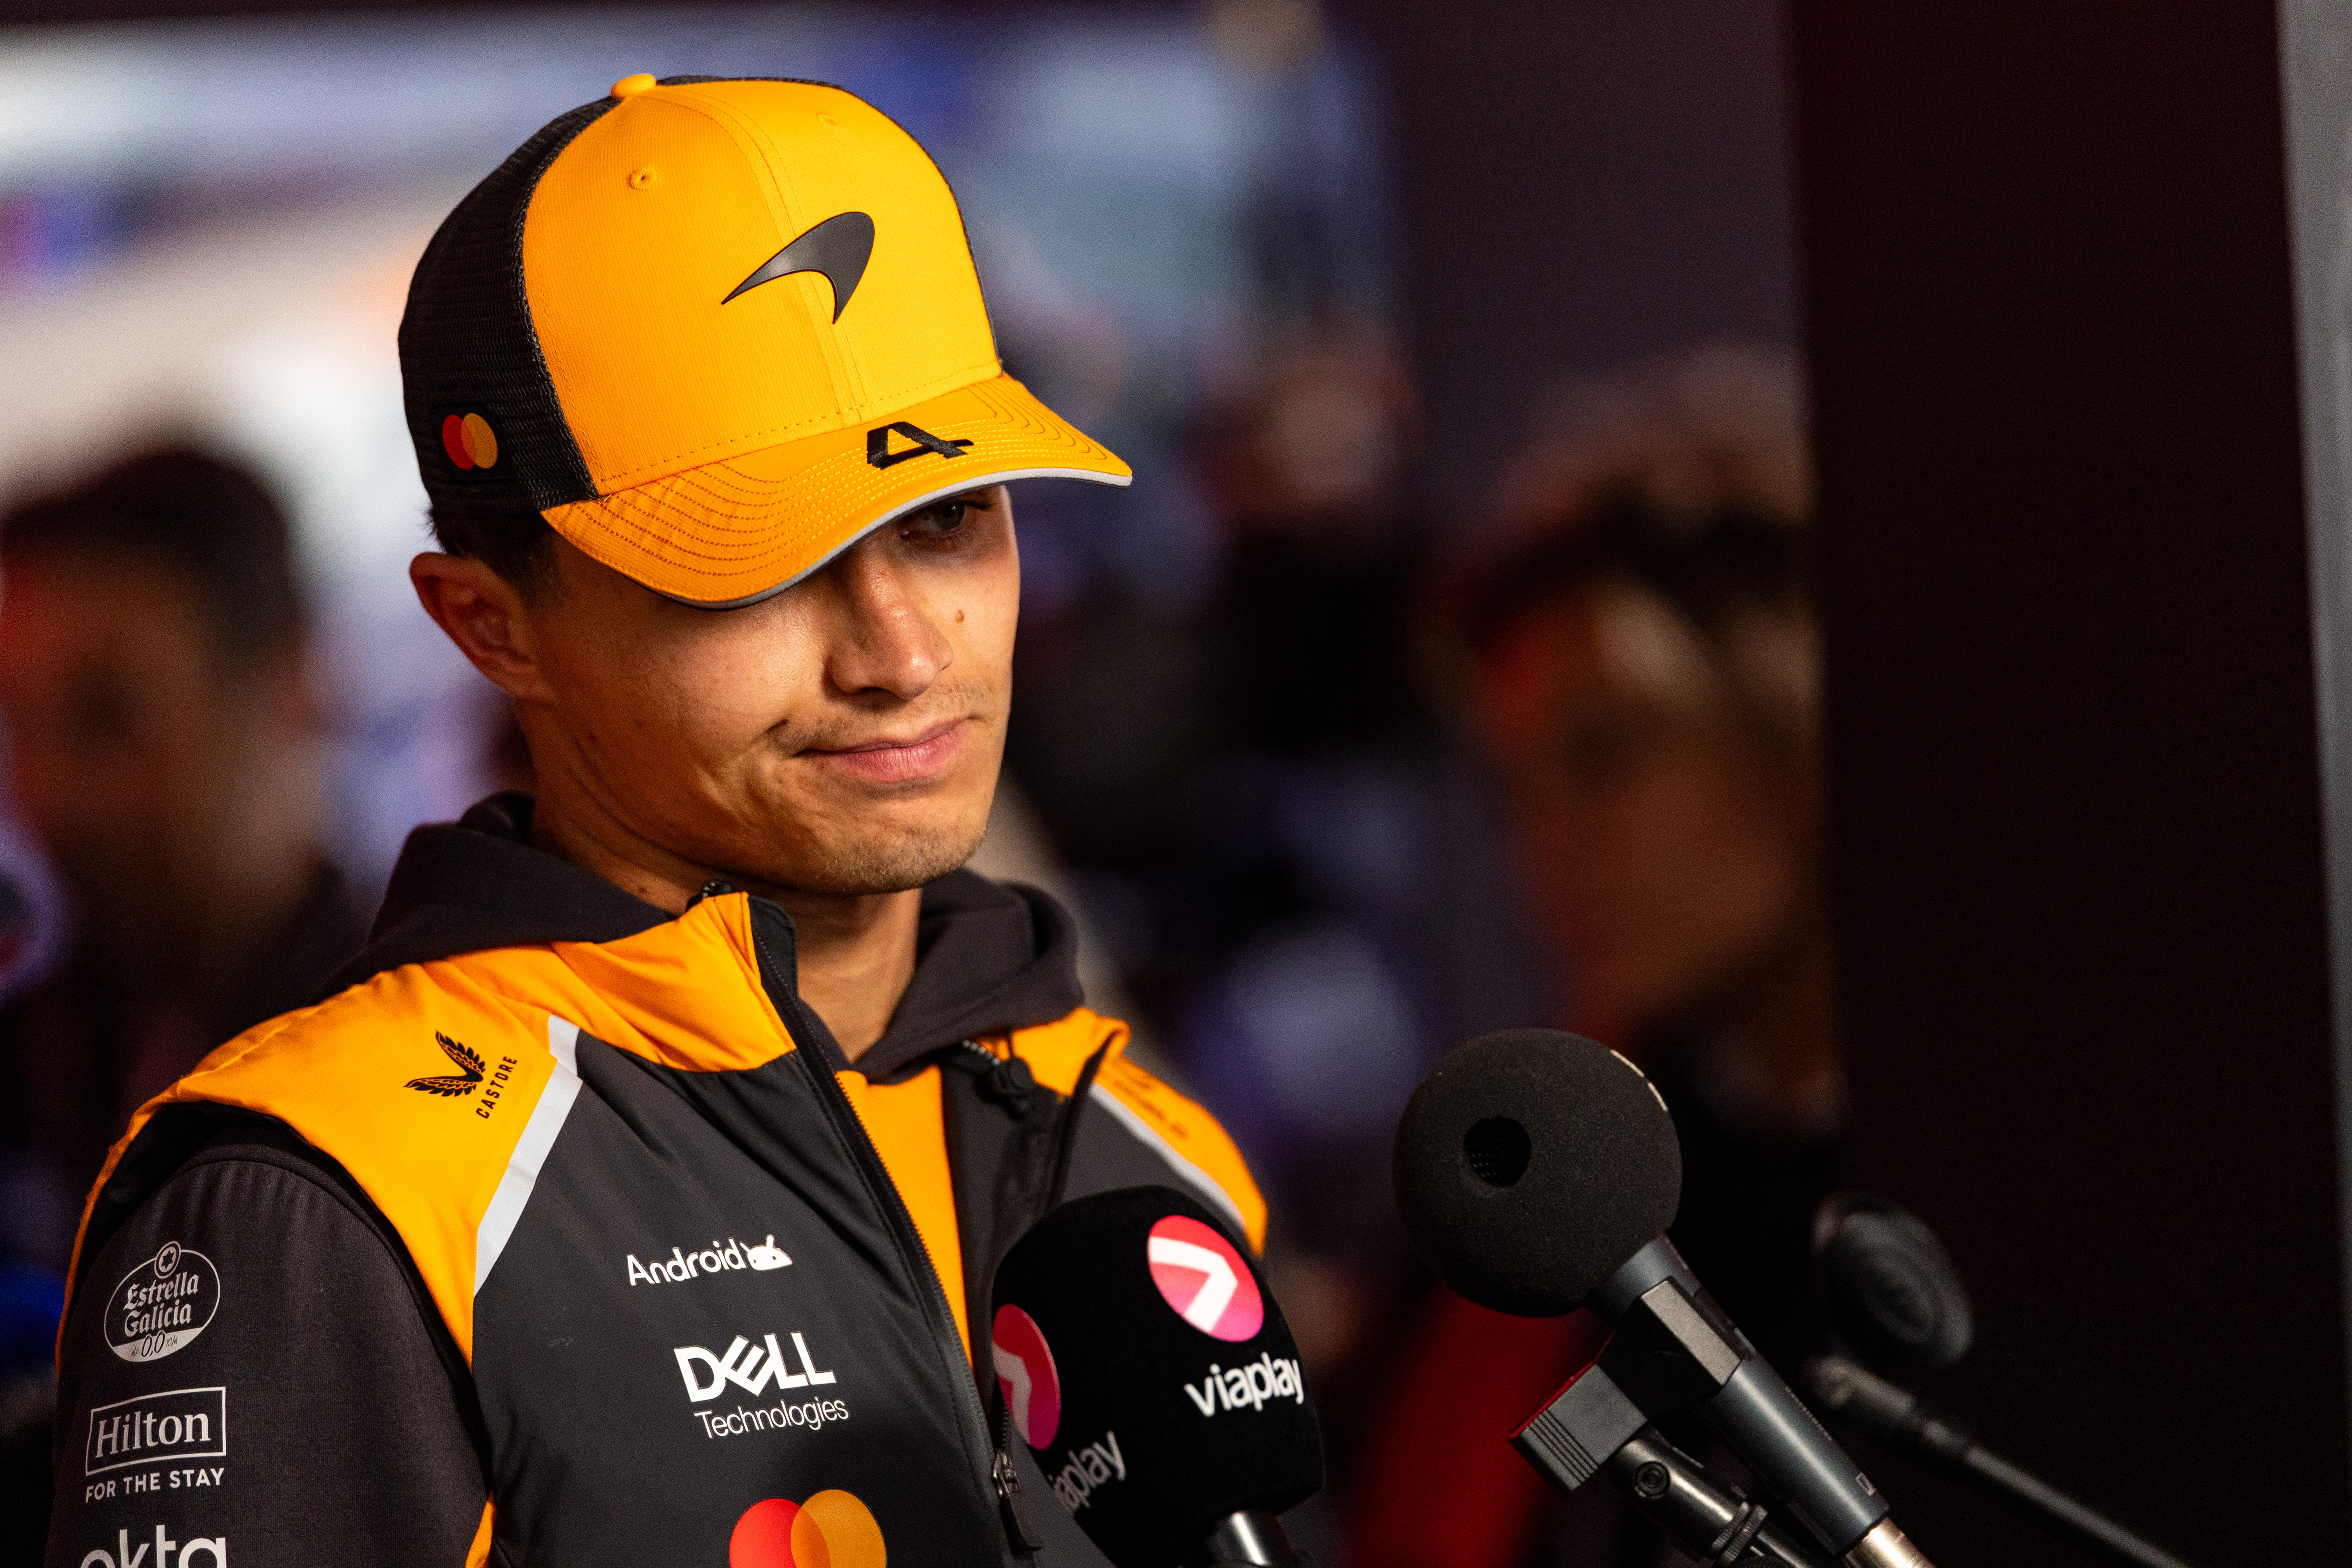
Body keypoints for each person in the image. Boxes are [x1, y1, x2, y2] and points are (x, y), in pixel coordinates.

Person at [42, 77, 1263, 1568]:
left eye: (947, 518)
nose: (900, 653)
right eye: (755, 567)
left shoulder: (1148, 1147)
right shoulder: (331, 1195)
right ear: (491, 626)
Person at [1348, 348, 1837, 1568]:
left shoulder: (2038, 1179)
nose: (1546, 849)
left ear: (1791, 724)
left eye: (1608, 756)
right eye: (1515, 791)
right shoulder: (1565, 1195)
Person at [0, 449, 366, 1274]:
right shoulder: (34, 1063)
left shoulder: (424, 1059)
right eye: (20, 726)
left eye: (110, 715)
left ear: (288, 680)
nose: (48, 790)